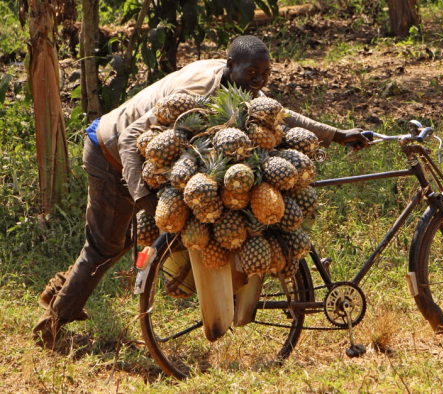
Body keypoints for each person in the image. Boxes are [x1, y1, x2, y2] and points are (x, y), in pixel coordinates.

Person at [32, 35, 370, 349]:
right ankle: (52, 325)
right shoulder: (201, 92)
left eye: (265, 73)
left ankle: (60, 293)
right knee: (105, 244)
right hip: (109, 150)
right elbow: (128, 138)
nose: (259, 80)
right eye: (252, 72)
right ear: (230, 65)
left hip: (139, 155)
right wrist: (141, 197)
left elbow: (279, 114)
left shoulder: (236, 82)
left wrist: (337, 134)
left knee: (120, 239)